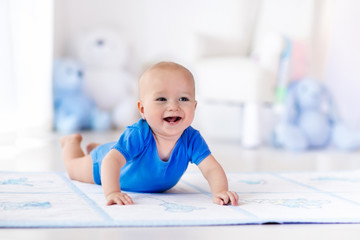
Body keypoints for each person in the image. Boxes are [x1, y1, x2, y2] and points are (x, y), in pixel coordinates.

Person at [61, 61, 239, 206]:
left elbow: (211, 168)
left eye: (183, 99)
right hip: (102, 165)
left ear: (194, 106)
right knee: (74, 169)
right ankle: (71, 143)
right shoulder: (139, 134)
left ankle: (100, 147)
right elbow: (111, 162)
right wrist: (113, 192)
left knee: (119, 151)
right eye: (161, 99)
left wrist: (220, 191)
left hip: (119, 156)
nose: (173, 106)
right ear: (143, 109)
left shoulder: (192, 139)